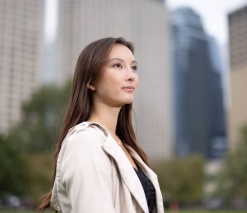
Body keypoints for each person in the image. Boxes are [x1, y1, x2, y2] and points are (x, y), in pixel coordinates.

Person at [37, 37, 164, 213]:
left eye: (133, 67)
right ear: (91, 81)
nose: (131, 75)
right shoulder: (84, 142)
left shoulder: (125, 146)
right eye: (118, 66)